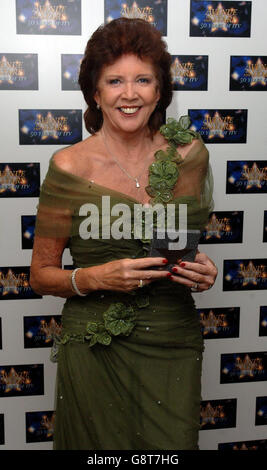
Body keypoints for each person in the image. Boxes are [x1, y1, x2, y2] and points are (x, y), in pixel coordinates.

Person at [30, 17, 217, 450]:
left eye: (143, 80)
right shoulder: (69, 167)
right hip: (95, 345)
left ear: (159, 90)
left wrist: (202, 271)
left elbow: (179, 251)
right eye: (115, 81)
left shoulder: (189, 155)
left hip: (171, 338)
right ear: (96, 92)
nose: (129, 94)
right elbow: (41, 275)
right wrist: (95, 277)